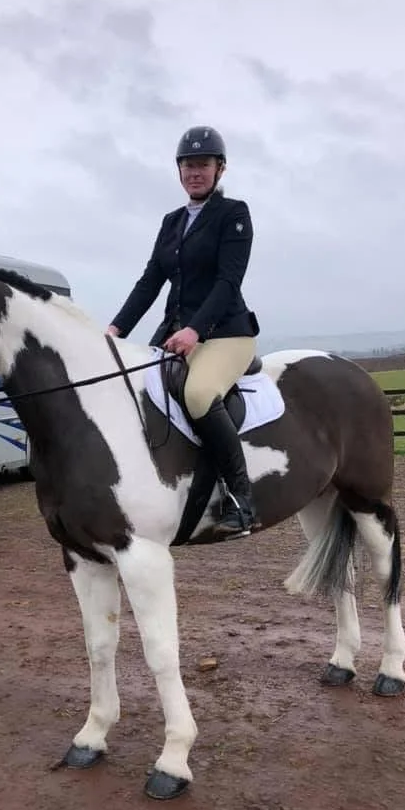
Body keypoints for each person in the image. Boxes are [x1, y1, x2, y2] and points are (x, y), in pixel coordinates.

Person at [106, 125, 261, 539]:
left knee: (197, 395)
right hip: (175, 334)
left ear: (219, 169)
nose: (196, 172)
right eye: (189, 165)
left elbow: (228, 282)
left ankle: (242, 500)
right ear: (179, 171)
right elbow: (149, 283)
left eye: (204, 165)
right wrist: (114, 331)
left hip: (226, 334)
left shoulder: (234, 215)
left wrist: (196, 329)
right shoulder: (171, 222)